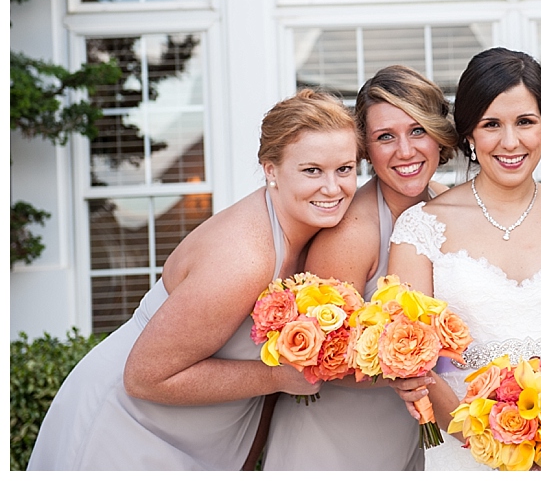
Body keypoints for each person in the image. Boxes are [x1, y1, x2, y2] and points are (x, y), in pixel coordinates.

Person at [27, 89, 360, 471]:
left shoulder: (312, 228)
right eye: (312, 170)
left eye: (345, 169)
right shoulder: (243, 260)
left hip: (201, 439)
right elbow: (146, 378)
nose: (333, 188)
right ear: (271, 170)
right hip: (128, 429)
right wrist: (282, 376)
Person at [387, 47, 541, 471]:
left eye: (525, 122)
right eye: (491, 125)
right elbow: (416, 361)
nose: (510, 141)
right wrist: (504, 450)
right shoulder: (420, 227)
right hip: (465, 450)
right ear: (468, 136)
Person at [261, 66, 458, 471]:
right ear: (366, 149)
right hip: (337, 440)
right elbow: (320, 357)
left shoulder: (450, 205)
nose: (405, 151)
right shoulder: (352, 233)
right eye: (385, 137)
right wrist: (405, 368)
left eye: (418, 130)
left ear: (440, 134)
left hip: (418, 434)